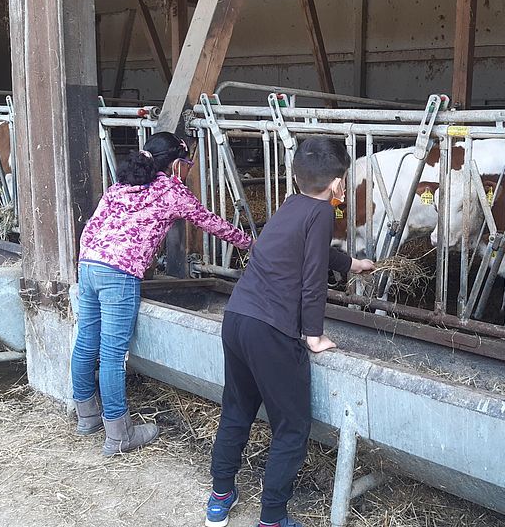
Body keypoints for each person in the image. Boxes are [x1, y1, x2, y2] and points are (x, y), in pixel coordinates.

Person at [205, 137, 374, 527]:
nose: (343, 189)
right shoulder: (323, 215)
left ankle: (220, 497)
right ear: (336, 186)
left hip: (238, 319)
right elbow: (312, 279)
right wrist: (313, 334)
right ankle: (272, 518)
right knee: (293, 426)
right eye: (344, 182)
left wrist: (351, 264)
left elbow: (309, 251)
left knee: (237, 409)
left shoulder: (291, 206)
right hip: (272, 330)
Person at [73, 132, 252, 456]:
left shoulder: (120, 185)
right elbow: (207, 221)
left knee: (86, 342)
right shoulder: (171, 190)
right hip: (119, 274)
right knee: (113, 355)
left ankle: (87, 417)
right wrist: (249, 242)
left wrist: (93, 258)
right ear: (173, 163)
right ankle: (119, 435)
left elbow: (91, 226)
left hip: (88, 265)